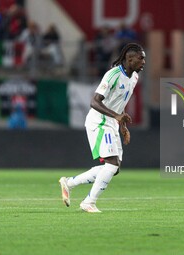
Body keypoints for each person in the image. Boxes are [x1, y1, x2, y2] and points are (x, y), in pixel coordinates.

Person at [59, 43, 146, 213]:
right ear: (129, 58)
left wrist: (122, 125)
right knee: (111, 164)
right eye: (141, 58)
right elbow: (94, 101)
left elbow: (119, 105)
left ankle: (69, 183)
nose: (144, 62)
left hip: (112, 122)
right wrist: (116, 116)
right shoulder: (112, 75)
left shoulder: (134, 77)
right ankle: (88, 202)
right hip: (99, 121)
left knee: (114, 168)